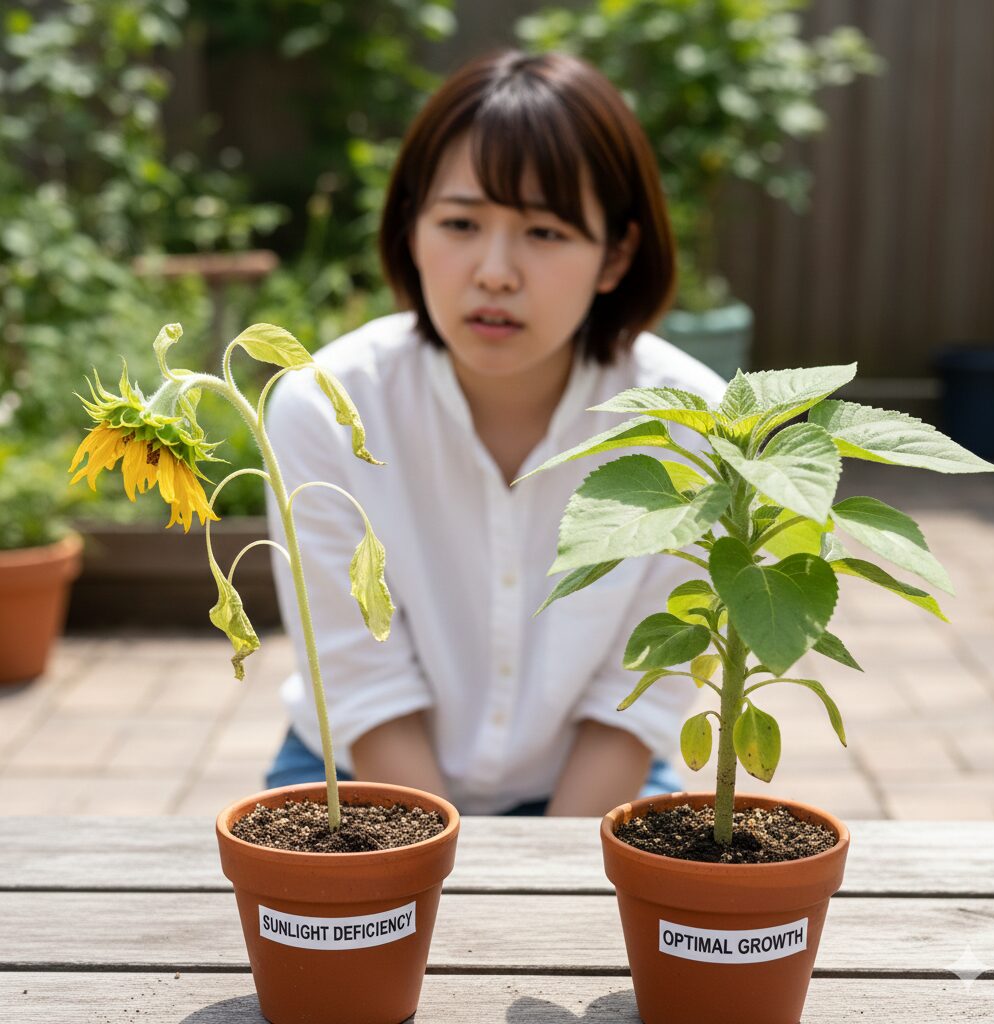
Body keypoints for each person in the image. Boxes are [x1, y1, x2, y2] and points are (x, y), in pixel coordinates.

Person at [263, 49, 727, 816]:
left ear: (616, 254)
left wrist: (539, 879)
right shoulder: (324, 406)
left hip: (595, 782)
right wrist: (452, 877)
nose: (495, 272)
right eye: (460, 222)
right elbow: (363, 682)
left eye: (545, 232)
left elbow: (635, 696)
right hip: (354, 778)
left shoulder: (691, 424)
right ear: (411, 226)